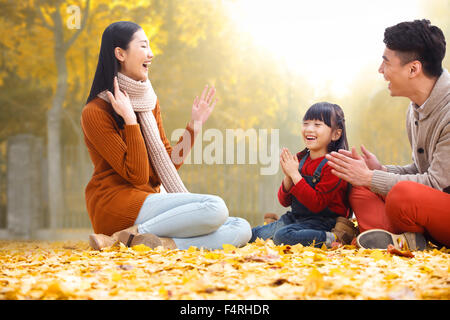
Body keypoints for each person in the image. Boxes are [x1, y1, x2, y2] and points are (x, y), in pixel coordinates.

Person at [81, 21, 251, 250]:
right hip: (116, 205)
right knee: (215, 208)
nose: (150, 54)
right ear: (120, 53)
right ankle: (126, 234)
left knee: (241, 227)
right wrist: (130, 121)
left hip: (150, 200)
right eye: (143, 46)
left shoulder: (149, 101)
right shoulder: (95, 112)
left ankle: (161, 244)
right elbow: (138, 176)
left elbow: (166, 166)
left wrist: (194, 126)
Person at [326, 19, 450, 250]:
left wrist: (372, 177)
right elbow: (422, 169)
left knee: (400, 194)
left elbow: (435, 185)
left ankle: (395, 235)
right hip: (432, 207)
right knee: (360, 186)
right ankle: (401, 240)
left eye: (386, 62)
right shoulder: (416, 107)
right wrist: (380, 171)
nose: (380, 70)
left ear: (413, 69)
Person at [250, 102, 357, 247]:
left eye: (317, 124)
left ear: (336, 134)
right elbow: (284, 201)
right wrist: (288, 176)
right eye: (306, 123)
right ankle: (276, 229)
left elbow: (317, 204)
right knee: (253, 236)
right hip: (296, 218)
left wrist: (295, 174)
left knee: (283, 237)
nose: (309, 129)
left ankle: (334, 238)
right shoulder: (300, 159)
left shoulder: (334, 165)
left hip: (323, 222)